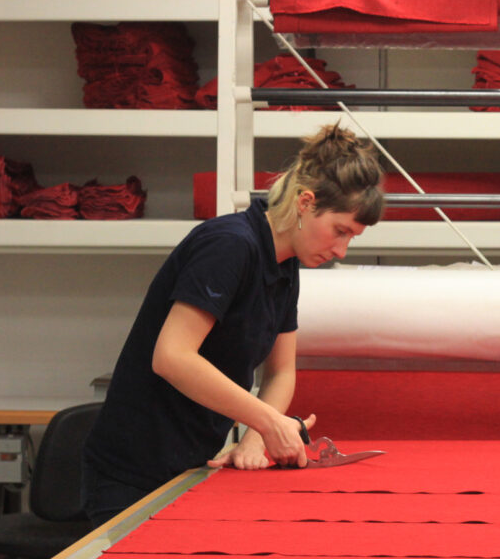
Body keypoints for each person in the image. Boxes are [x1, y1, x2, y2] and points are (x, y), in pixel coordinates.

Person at [81, 124, 384, 526]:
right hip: (131, 475)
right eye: (339, 231)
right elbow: (171, 356)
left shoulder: (285, 266)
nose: (341, 251)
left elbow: (281, 371)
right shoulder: (230, 245)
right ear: (306, 203)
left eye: (352, 239)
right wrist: (269, 421)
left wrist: (256, 440)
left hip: (189, 468)